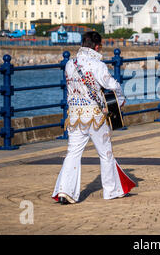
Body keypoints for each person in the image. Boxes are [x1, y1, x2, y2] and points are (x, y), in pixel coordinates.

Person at [52, 31, 135, 204]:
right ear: (97, 46)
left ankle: (64, 192)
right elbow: (111, 84)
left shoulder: (69, 64)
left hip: (74, 116)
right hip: (95, 116)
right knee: (105, 154)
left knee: (73, 153)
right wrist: (119, 100)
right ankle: (111, 191)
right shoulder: (97, 65)